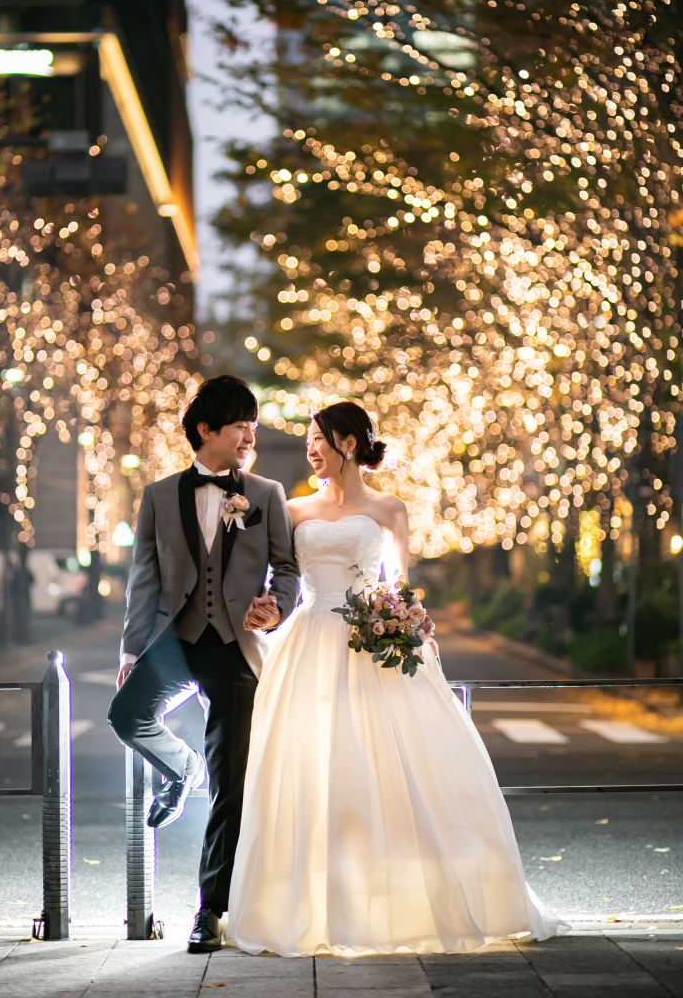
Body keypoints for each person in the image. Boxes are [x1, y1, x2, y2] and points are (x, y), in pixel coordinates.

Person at [228, 400, 565, 957]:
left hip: (372, 642)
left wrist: (409, 622)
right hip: (308, 641)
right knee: (311, 769)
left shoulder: (389, 508)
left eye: (319, 438)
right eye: (309, 439)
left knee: (389, 767)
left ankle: (402, 902)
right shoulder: (291, 509)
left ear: (350, 444)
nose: (310, 449)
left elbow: (401, 587)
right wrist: (264, 607)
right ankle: (312, 904)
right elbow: (280, 578)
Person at [108, 375, 299, 953]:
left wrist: (278, 609)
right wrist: (132, 647)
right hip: (175, 636)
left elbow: (287, 570)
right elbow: (144, 576)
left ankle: (210, 911)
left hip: (236, 645)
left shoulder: (266, 493)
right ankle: (181, 768)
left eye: (253, 423)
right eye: (240, 423)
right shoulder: (159, 495)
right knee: (126, 715)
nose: (250, 434)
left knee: (231, 786)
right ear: (206, 430)